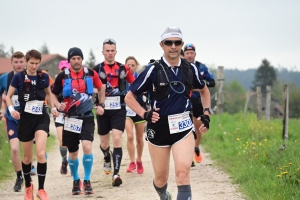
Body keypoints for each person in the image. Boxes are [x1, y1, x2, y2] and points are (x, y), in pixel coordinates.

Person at [125, 27, 211, 200]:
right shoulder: (152, 70)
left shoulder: (190, 68)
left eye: (177, 42)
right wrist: (145, 114)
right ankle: (164, 194)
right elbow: (129, 97)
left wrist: (206, 113)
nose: (173, 46)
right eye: (169, 43)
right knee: (160, 178)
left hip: (183, 126)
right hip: (159, 127)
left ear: (181, 45)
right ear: (161, 45)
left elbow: (204, 91)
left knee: (182, 174)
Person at [51, 47, 105, 195]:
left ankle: (87, 180)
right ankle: (76, 180)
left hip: (87, 117)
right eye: (73, 58)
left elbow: (101, 88)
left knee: (87, 147)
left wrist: (101, 105)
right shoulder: (62, 76)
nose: (76, 61)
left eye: (78, 58)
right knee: (73, 153)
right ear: (69, 61)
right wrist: (57, 105)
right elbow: (53, 95)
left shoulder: (90, 73)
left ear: (82, 59)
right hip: (70, 119)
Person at [6, 49, 59, 200]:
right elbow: (8, 97)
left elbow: (49, 93)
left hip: (41, 117)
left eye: (36, 63)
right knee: (27, 158)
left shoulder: (44, 77)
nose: (34, 66)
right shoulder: (18, 77)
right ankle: (29, 186)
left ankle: (41, 189)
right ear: (26, 62)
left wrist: (53, 108)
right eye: (31, 63)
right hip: (26, 118)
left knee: (41, 153)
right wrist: (11, 110)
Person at [93, 38, 135, 186]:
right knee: (104, 144)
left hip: (119, 108)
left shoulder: (124, 69)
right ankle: (106, 157)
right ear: (103, 52)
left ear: (116, 52)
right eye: (107, 51)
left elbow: (134, 84)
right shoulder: (96, 69)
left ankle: (116, 174)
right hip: (103, 110)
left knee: (117, 139)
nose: (110, 53)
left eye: (112, 51)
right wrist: (95, 103)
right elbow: (90, 90)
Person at [183, 43, 215, 165]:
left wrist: (199, 86)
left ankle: (196, 147)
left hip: (197, 101)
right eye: (187, 53)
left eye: (192, 53)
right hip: (185, 101)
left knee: (198, 127)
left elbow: (212, 82)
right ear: (184, 54)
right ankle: (189, 156)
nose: (189, 55)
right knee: (187, 128)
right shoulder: (180, 68)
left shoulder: (201, 67)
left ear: (195, 54)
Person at [0, 51, 26, 192]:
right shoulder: (4, 78)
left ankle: (29, 172)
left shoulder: (31, 76)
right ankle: (19, 177)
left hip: (28, 119)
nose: (19, 64)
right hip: (11, 119)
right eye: (16, 62)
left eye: (21, 61)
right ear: (11, 63)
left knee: (28, 150)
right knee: (15, 148)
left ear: (25, 62)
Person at [124, 56, 146, 174]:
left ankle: (139, 160)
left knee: (139, 139)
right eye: (128, 65)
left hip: (139, 110)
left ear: (136, 66)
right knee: (130, 136)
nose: (130, 67)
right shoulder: (123, 79)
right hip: (127, 111)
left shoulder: (141, 78)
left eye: (133, 65)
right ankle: (132, 161)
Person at [53, 60, 71, 174]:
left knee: (73, 142)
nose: (64, 71)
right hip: (60, 115)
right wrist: (54, 108)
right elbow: (50, 97)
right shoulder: (56, 83)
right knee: (62, 141)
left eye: (66, 69)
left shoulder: (74, 82)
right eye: (62, 69)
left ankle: (72, 161)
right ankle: (64, 161)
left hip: (72, 115)